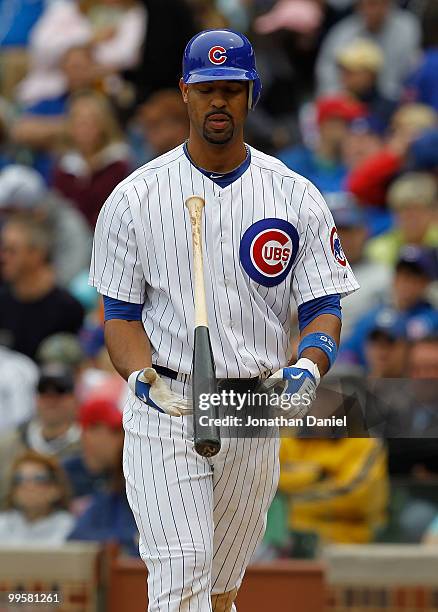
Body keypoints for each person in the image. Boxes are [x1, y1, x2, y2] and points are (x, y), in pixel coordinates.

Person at [89, 29, 359, 610]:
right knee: (182, 578)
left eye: (232, 90)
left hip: (251, 402)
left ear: (251, 95)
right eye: (207, 89)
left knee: (219, 590)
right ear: (185, 92)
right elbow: (118, 316)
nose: (219, 102)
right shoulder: (134, 197)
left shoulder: (295, 195)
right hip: (169, 400)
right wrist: (142, 380)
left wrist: (310, 366)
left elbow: (322, 308)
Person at [0, 215, 84, 359]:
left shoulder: (68, 309)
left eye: (12, 251)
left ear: (36, 254)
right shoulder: (2, 302)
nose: (3, 258)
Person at [278, 436, 388, 543]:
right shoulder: (285, 441)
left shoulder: (364, 442)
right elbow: (267, 482)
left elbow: (356, 498)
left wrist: (286, 498)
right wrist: (317, 475)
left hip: (345, 542)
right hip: (285, 540)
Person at [341, 246, 438, 366]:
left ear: (426, 283)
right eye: (403, 275)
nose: (407, 283)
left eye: (415, 278)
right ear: (395, 278)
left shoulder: (433, 319)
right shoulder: (371, 316)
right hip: (369, 381)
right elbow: (347, 353)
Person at [0, 165, 92, 287]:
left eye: (10, 212)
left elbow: (70, 274)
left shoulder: (70, 227)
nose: (7, 219)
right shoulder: (13, 226)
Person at [67, 397, 138, 554]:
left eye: (121, 431)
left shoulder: (132, 472)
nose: (123, 438)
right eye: (114, 431)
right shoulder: (67, 472)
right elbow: (74, 537)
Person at [0, 363, 80, 503]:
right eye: (43, 392)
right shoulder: (8, 444)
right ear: (36, 398)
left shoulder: (88, 444)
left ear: (74, 398)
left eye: (60, 391)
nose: (51, 400)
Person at [52, 91, 130, 227]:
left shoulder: (117, 162)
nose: (85, 129)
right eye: (79, 122)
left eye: (91, 121)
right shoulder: (65, 166)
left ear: (103, 124)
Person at [316, 0, 421, 100]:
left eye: (374, 4)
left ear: (388, 4)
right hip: (345, 100)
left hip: (392, 100)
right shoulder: (343, 31)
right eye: (364, 4)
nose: (370, 10)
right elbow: (326, 73)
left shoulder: (406, 28)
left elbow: (410, 73)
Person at [328, 193, 391, 338]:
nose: (347, 239)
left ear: (365, 232)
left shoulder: (383, 275)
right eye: (341, 232)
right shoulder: (310, 271)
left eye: (352, 231)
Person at [277, 95, 366, 193]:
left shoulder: (350, 167)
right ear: (327, 125)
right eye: (345, 124)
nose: (349, 131)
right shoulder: (293, 163)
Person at [0, 450, 74, 544]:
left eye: (39, 478)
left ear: (56, 490)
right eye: (19, 479)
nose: (28, 486)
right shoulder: (2, 524)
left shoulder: (70, 528)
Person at [366, 172, 438, 266]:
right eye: (405, 211)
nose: (412, 218)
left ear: (431, 213)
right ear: (394, 215)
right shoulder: (378, 249)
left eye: (419, 210)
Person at [132, 89, 190, 166]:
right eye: (147, 127)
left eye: (155, 125)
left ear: (179, 126)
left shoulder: (198, 164)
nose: (147, 134)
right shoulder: (150, 165)